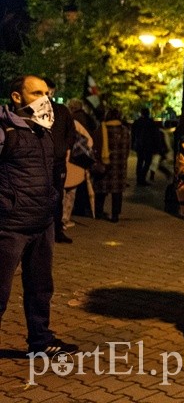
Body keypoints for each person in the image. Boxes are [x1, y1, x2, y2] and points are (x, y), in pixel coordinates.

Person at [0, 75, 78, 355]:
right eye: (36, 93)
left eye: (47, 93)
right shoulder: (5, 130)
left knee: (41, 288)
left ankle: (41, 341)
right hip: (10, 226)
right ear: (17, 97)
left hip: (42, 223)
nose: (45, 99)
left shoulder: (42, 130)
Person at [43, 78, 75, 244]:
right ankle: (43, 232)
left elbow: (71, 132)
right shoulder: (35, 111)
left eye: (49, 91)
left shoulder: (61, 111)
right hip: (41, 162)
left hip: (57, 161)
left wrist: (65, 148)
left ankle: (57, 229)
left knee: (57, 195)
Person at [92, 108, 131, 222]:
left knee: (101, 189)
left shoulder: (102, 128)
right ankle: (115, 215)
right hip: (119, 165)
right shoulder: (124, 130)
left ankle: (98, 212)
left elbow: (96, 146)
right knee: (117, 191)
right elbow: (127, 148)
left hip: (104, 163)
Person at [131, 107, 161, 186]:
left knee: (140, 161)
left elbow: (133, 134)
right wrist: (157, 146)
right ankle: (142, 178)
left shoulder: (137, 122)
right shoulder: (151, 122)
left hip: (140, 145)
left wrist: (133, 144)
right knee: (147, 162)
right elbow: (156, 135)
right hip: (148, 145)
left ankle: (139, 178)